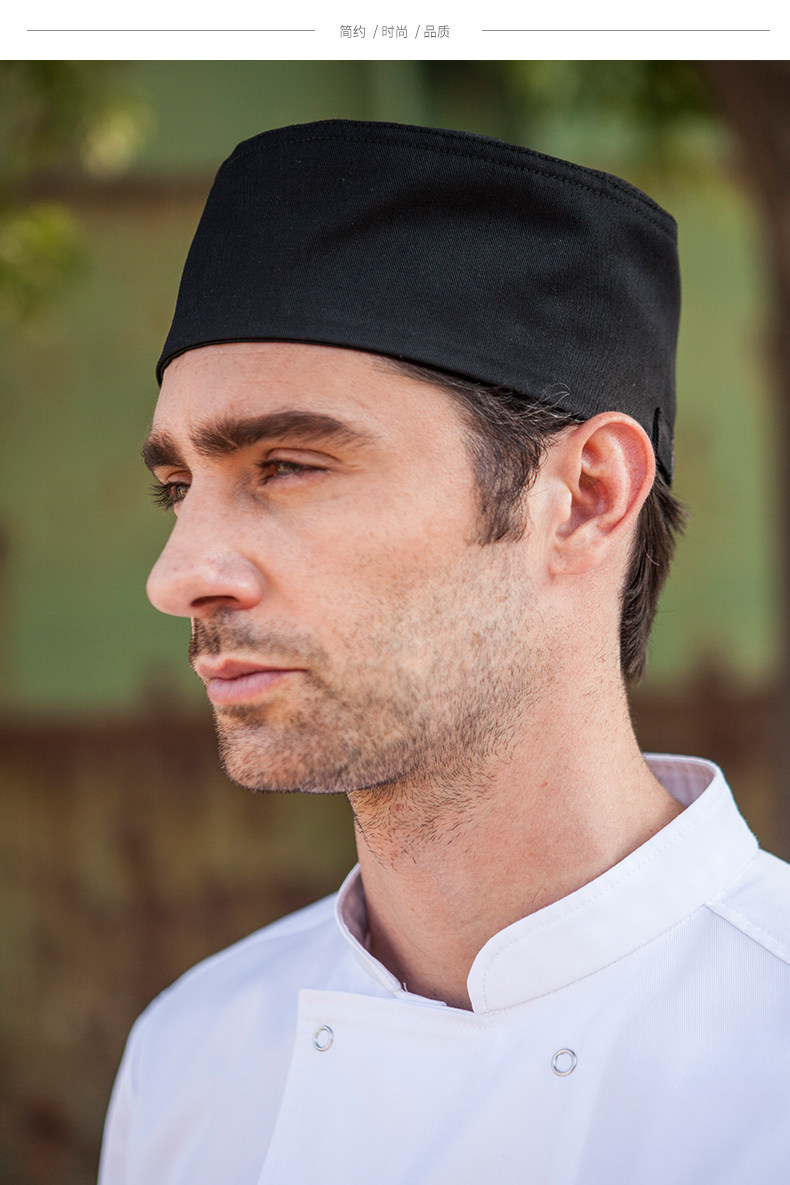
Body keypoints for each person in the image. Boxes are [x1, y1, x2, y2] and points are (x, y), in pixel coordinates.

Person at [98, 120, 790, 1184]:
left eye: (286, 465)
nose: (178, 575)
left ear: (584, 496)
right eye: (178, 488)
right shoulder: (194, 1055)